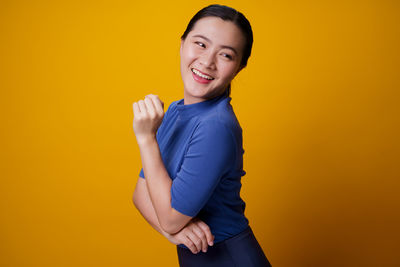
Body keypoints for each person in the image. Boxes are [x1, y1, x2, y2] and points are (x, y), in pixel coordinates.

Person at [132, 4, 272, 267]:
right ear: (182, 43)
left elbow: (171, 216)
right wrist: (175, 234)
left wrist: (146, 138)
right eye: (200, 44)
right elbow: (140, 195)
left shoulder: (217, 126)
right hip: (198, 257)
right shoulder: (174, 111)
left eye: (226, 55)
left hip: (229, 258)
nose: (207, 62)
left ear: (240, 67)